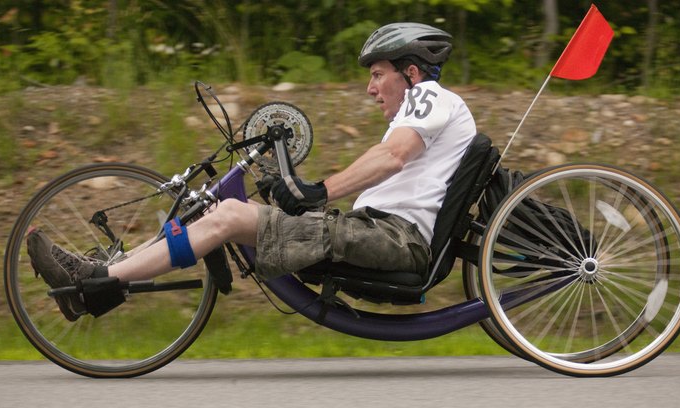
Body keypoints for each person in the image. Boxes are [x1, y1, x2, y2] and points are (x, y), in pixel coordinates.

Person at [27, 22, 478, 321]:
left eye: (379, 74)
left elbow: (391, 158)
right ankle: (101, 275)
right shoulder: (419, 112)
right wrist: (303, 192)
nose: (370, 87)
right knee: (220, 213)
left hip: (396, 241)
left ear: (412, 73)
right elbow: (386, 163)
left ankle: (96, 283)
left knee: (225, 217)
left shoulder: (431, 96)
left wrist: (318, 191)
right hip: (372, 231)